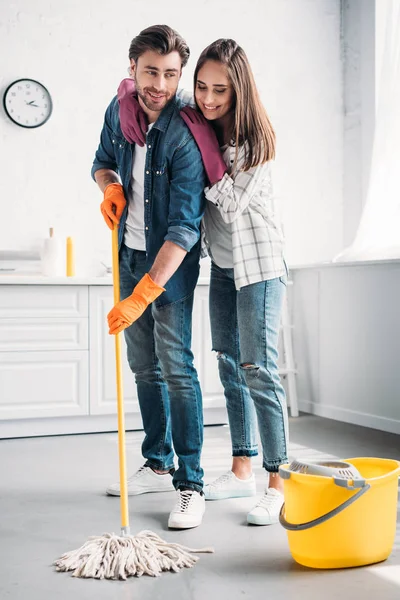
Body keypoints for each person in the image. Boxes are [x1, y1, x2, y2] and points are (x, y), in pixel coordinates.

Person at [118, 38, 289, 526]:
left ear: (240, 91)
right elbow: (145, 91)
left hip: (260, 267)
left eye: (221, 90)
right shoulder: (201, 122)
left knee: (258, 369)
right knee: (229, 364)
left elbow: (230, 205)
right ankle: (242, 470)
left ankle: (278, 481)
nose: (209, 99)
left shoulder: (258, 142)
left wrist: (208, 159)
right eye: (202, 87)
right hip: (226, 267)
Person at [91, 25, 207, 530]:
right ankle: (157, 462)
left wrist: (144, 294)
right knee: (143, 367)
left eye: (171, 73)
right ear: (132, 67)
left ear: (180, 73)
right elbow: (100, 162)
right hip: (128, 255)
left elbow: (184, 227)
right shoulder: (118, 112)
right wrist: (110, 187)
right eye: (150, 71)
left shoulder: (186, 132)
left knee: (176, 368)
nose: (159, 84)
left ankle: (191, 483)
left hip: (168, 267)